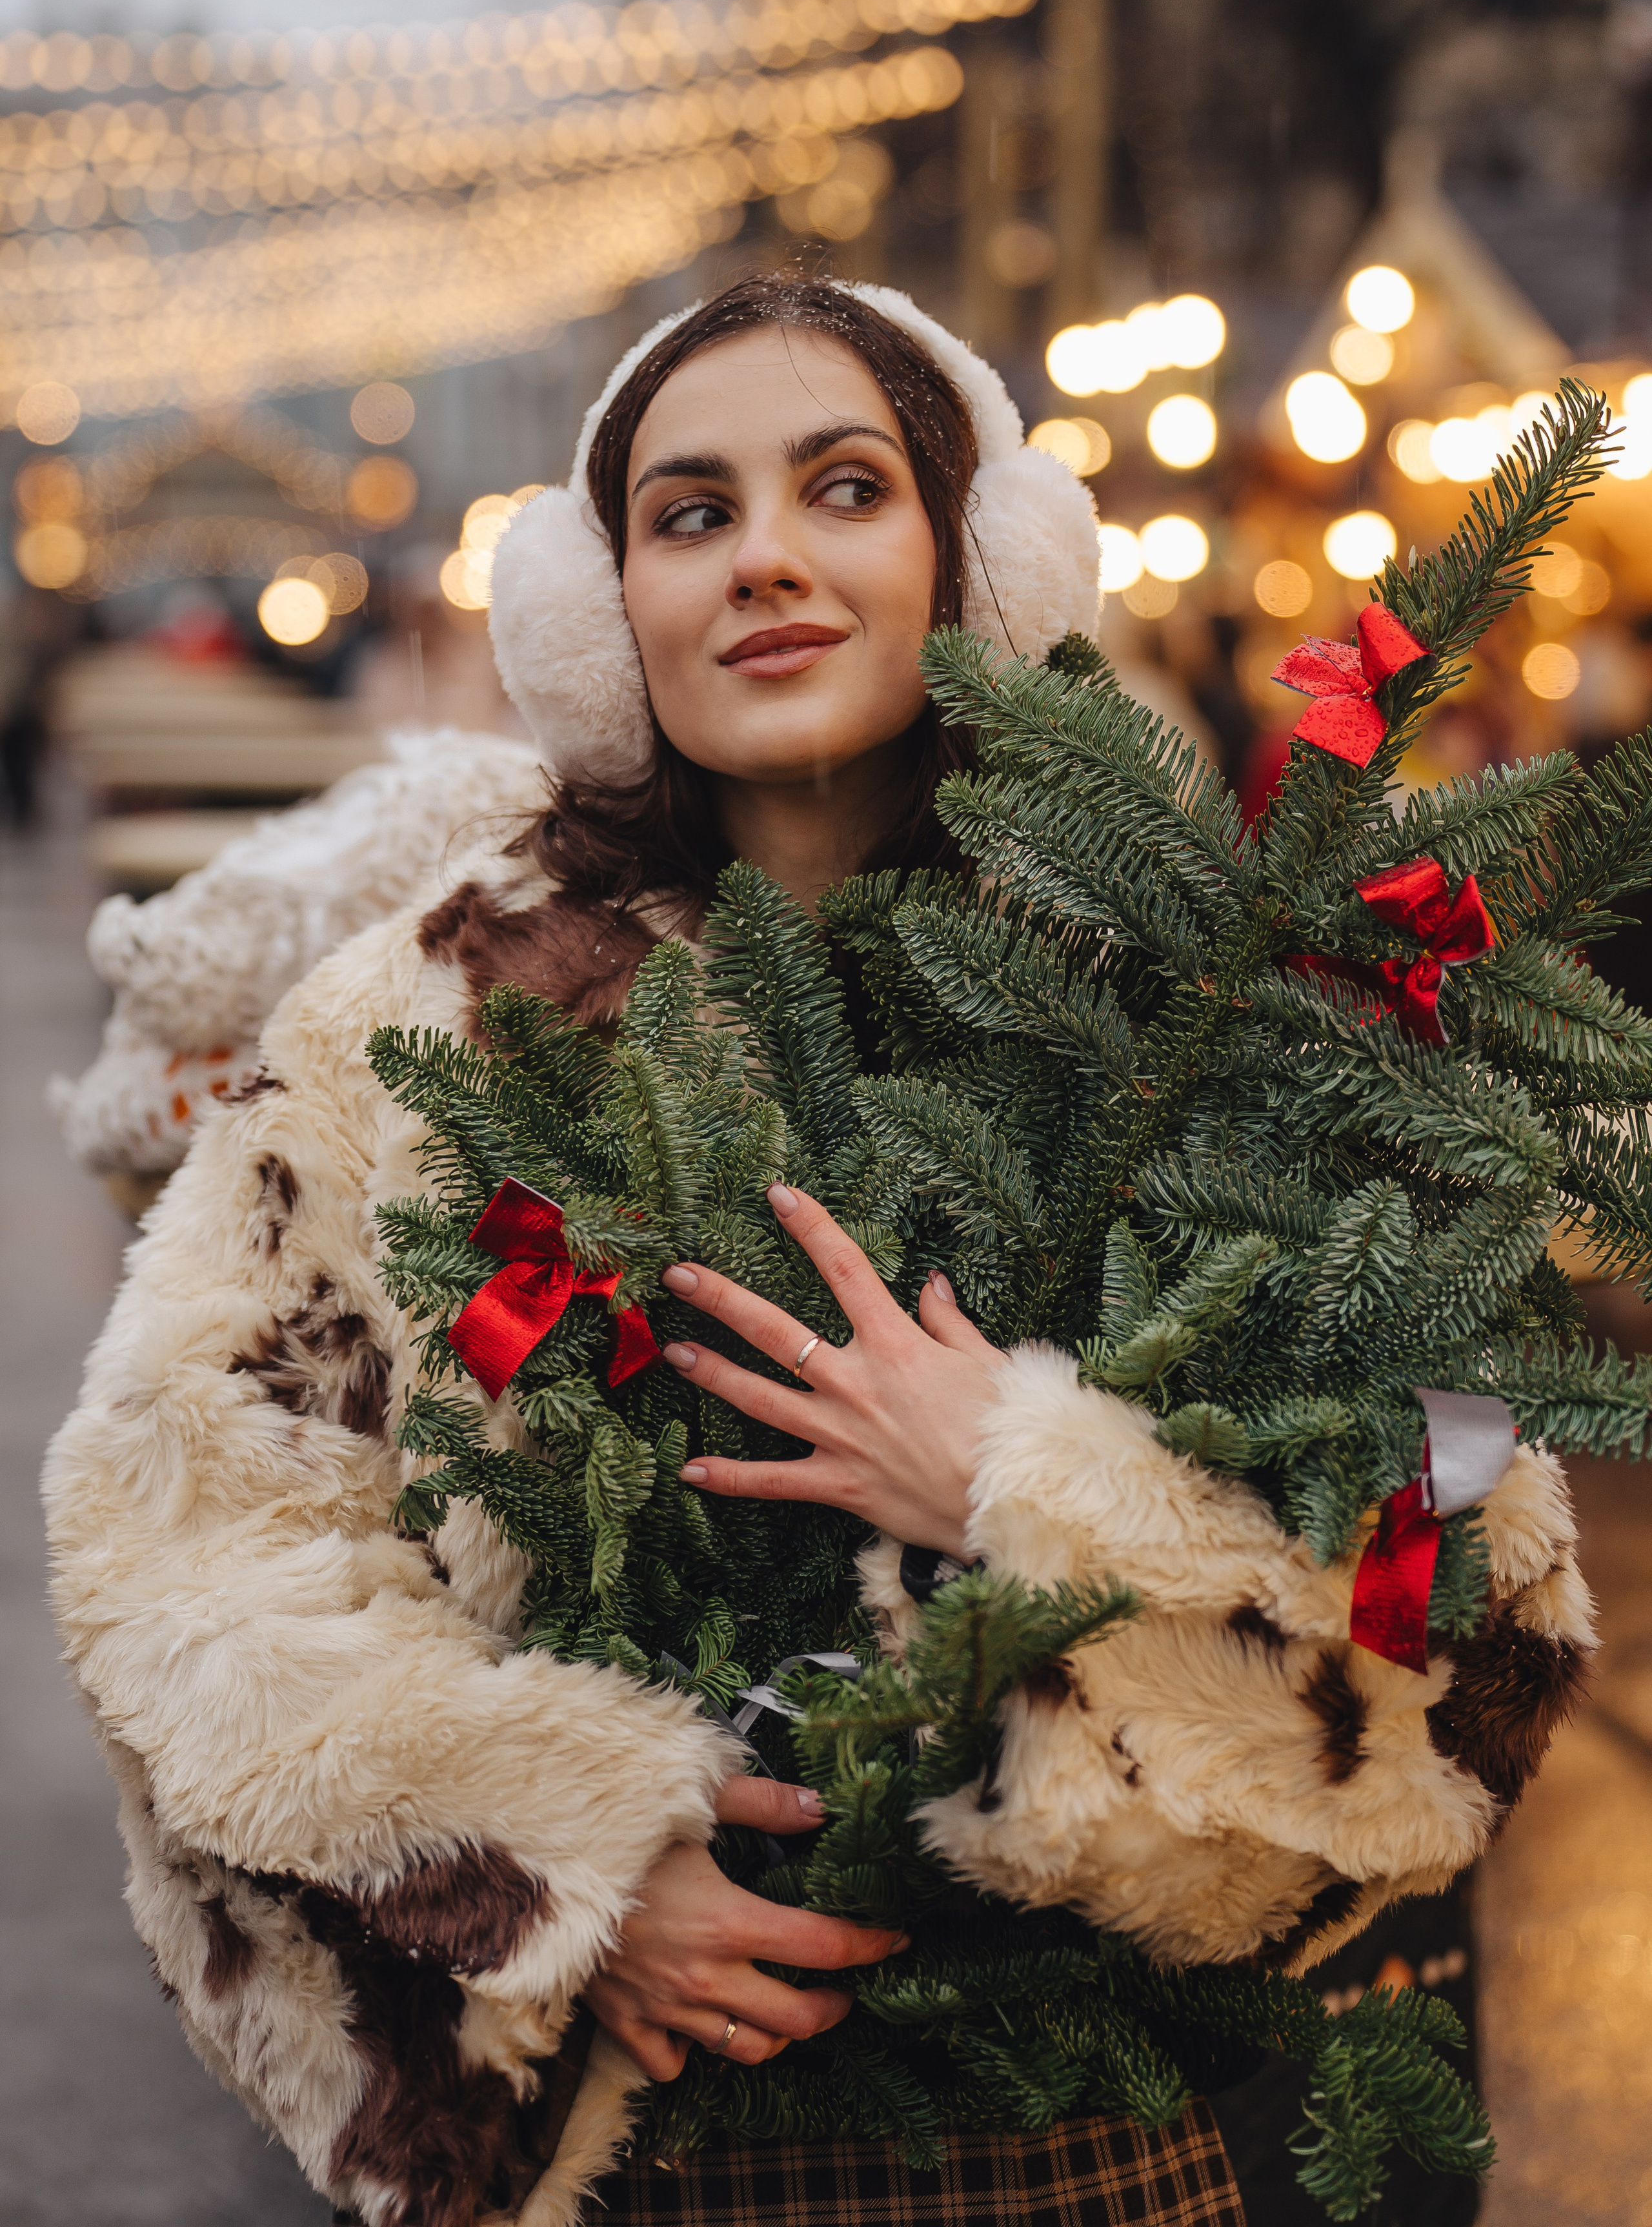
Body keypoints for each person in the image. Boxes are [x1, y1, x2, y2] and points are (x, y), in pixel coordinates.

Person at [45, 276, 1591, 2227]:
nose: (765, 558)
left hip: (1090, 2152)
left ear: (973, 558)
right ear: (608, 616)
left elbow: (1459, 1555)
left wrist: (1030, 1487)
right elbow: (187, 1549)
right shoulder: (418, 1032)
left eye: (843, 488)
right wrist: (550, 1873)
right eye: (691, 515)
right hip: (638, 2147)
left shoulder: (1200, 995)